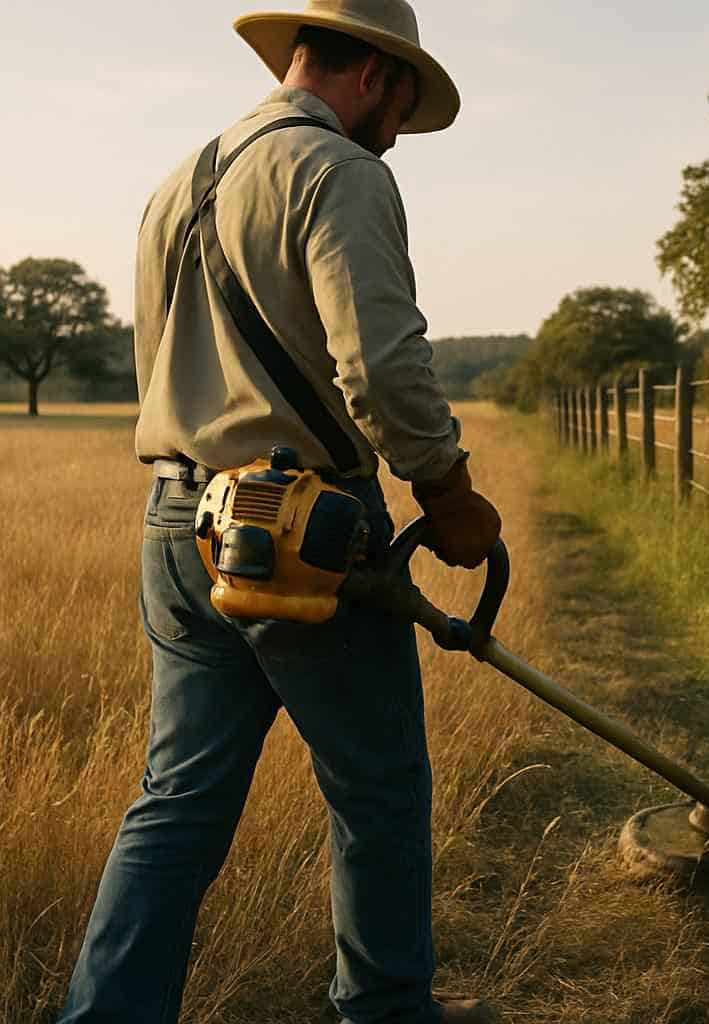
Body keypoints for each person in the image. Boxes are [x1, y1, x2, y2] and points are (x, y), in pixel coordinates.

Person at [57, 2, 501, 1021]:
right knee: (378, 791)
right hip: (305, 531)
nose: (398, 130)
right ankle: (386, 1010)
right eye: (403, 104)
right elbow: (383, 368)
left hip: (178, 519)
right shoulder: (341, 171)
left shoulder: (178, 181)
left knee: (176, 801)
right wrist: (449, 494)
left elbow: (159, 364)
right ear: (378, 76)